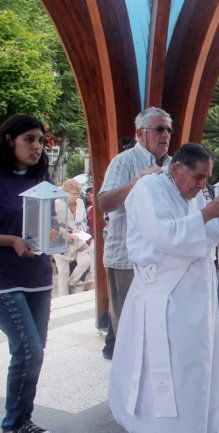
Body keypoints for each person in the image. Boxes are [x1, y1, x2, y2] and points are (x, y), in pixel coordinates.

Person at [108, 142, 219, 432]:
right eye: (198, 177)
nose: (201, 185)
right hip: (163, 296)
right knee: (168, 368)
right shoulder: (147, 189)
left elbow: (206, 235)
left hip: (195, 299)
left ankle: (194, 424)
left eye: (205, 179)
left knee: (195, 368)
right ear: (176, 169)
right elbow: (165, 235)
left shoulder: (190, 193)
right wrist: (207, 214)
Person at [97, 106, 172, 360]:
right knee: (129, 330)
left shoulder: (173, 165)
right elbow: (104, 202)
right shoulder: (124, 161)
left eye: (169, 129)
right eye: (159, 129)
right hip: (127, 258)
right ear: (140, 133)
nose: (166, 135)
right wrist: (136, 183)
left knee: (154, 327)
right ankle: (126, 378)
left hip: (160, 259)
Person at [0, 115, 54, 433]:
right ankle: (14, 424)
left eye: (40, 141)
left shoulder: (41, 178)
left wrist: (57, 235)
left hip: (39, 277)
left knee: (34, 354)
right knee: (28, 350)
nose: (37, 147)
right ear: (10, 140)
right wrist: (12, 241)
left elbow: (47, 222)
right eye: (29, 139)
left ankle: (23, 420)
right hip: (5, 280)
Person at [53, 178, 88, 296]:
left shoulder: (80, 202)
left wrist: (82, 228)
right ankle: (63, 299)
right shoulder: (57, 203)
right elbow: (52, 224)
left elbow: (84, 220)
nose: (75, 196)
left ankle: (71, 283)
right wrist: (65, 233)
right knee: (63, 272)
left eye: (77, 193)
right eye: (73, 193)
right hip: (60, 242)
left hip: (78, 240)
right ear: (65, 192)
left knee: (86, 261)